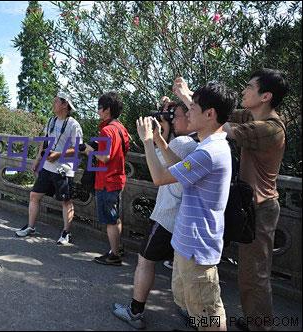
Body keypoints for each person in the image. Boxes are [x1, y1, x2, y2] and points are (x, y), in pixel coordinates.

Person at [135, 81, 237, 331]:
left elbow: (160, 177)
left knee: (209, 315)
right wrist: (159, 139)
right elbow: (176, 167)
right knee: (194, 306)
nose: (187, 112)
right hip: (186, 245)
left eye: (193, 108)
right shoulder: (207, 146)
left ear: (210, 114)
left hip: (197, 249)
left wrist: (147, 141)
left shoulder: (209, 152)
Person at [112, 99, 198, 329]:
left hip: (168, 216)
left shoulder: (183, 143)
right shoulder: (198, 143)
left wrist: (151, 138)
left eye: (176, 115)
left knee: (145, 262)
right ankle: (192, 313)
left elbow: (156, 170)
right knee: (183, 271)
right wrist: (163, 133)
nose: (172, 119)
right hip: (183, 217)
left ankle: (135, 311)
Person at [223, 69, 288, 331]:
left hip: (261, 207)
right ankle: (254, 321)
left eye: (249, 87)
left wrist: (189, 100)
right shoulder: (252, 115)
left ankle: (261, 327)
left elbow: (227, 129)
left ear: (266, 96)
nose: (243, 91)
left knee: (255, 274)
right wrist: (192, 99)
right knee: (248, 272)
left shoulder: (270, 128)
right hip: (250, 204)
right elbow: (220, 113)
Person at [15, 92, 83, 245]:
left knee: (65, 201)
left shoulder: (73, 125)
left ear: (65, 104)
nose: (53, 104)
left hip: (64, 169)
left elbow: (79, 148)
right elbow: (44, 142)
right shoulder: (51, 121)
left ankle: (66, 233)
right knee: (34, 195)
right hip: (47, 166)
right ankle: (31, 227)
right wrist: (37, 159)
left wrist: (58, 155)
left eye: (56, 101)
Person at [81, 92, 130, 266]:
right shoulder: (121, 128)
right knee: (115, 217)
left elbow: (105, 157)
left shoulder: (106, 130)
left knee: (110, 220)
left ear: (107, 110)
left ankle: (114, 255)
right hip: (118, 178)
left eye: (99, 108)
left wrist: (89, 151)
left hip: (106, 180)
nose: (98, 112)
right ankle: (117, 247)